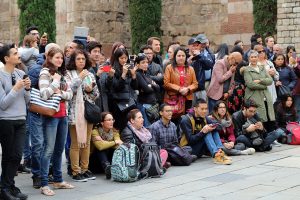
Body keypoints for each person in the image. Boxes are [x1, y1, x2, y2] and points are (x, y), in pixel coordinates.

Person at [39, 48, 74, 196]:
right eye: (57, 57)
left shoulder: (63, 73)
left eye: (61, 58)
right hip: (50, 116)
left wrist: (60, 93)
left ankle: (58, 180)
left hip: (63, 115)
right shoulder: (45, 73)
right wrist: (55, 84)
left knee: (59, 150)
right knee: (48, 150)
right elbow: (44, 94)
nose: (60, 60)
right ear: (50, 58)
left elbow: (70, 94)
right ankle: (44, 184)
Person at [0, 43, 30, 200]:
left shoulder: (20, 73)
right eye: (15, 53)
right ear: (6, 58)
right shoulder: (0, 75)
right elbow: (3, 104)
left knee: (17, 155)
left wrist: (27, 89)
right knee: (8, 156)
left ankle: (8, 185)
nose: (18, 55)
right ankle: (5, 188)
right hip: (6, 121)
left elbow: (27, 101)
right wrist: (15, 89)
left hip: (21, 119)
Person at [65, 49, 99, 182]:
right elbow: (69, 90)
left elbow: (96, 94)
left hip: (88, 112)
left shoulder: (90, 74)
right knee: (75, 143)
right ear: (73, 61)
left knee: (87, 142)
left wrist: (91, 91)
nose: (81, 61)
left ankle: (85, 169)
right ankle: (75, 171)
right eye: (78, 59)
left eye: (83, 59)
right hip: (74, 111)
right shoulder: (68, 74)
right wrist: (79, 78)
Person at [179, 99, 232, 165]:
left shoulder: (204, 117)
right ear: (195, 109)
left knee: (213, 130)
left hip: (201, 147)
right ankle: (217, 155)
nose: (204, 111)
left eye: (206, 109)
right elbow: (190, 140)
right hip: (189, 149)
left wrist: (212, 126)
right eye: (202, 109)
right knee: (207, 132)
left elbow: (219, 127)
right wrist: (203, 132)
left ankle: (220, 152)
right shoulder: (186, 120)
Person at [243, 50, 275, 133]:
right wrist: (264, 85)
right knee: (259, 117)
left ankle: (271, 136)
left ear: (258, 58)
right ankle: (262, 136)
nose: (254, 59)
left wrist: (260, 80)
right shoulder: (246, 70)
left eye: (255, 57)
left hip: (265, 96)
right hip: (254, 96)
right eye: (252, 57)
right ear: (249, 58)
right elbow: (250, 84)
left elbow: (270, 80)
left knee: (269, 115)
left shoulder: (262, 68)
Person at [106, 48, 138, 131]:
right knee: (120, 127)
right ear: (117, 58)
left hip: (128, 102)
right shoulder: (113, 69)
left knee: (130, 126)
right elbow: (117, 87)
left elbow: (134, 87)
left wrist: (134, 76)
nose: (124, 60)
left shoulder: (129, 68)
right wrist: (123, 74)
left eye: (125, 58)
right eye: (121, 58)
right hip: (117, 103)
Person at [164, 47, 198, 123]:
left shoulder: (190, 69)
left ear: (186, 57)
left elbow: (195, 84)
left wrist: (188, 89)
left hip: (187, 98)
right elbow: (166, 83)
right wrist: (179, 89)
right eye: (179, 56)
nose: (181, 58)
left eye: (183, 56)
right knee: (173, 120)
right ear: (175, 56)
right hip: (173, 99)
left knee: (186, 120)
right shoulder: (169, 68)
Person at [90, 112, 123, 179]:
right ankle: (107, 166)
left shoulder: (115, 131)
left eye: (112, 119)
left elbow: (119, 144)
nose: (112, 122)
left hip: (109, 159)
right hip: (95, 162)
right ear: (102, 122)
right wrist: (114, 142)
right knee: (100, 150)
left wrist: (104, 142)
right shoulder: (95, 132)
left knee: (113, 149)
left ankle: (110, 167)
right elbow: (100, 146)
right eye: (109, 120)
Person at [135, 53, 160, 127]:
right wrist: (152, 85)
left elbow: (158, 88)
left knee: (154, 126)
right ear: (137, 64)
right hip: (144, 105)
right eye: (143, 62)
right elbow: (147, 89)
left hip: (152, 105)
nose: (146, 64)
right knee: (147, 127)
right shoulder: (138, 74)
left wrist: (151, 85)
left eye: (147, 62)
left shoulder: (146, 74)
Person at [189, 34, 215, 102]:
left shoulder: (208, 53)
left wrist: (200, 55)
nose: (204, 45)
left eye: (204, 43)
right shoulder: (189, 53)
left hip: (203, 84)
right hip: (191, 86)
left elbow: (209, 65)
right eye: (202, 43)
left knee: (203, 106)